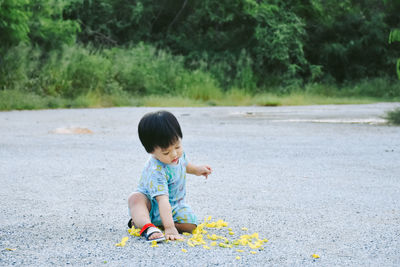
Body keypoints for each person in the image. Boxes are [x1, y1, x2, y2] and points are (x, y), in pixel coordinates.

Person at [127, 110, 212, 242]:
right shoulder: (156, 170)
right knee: (136, 199)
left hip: (174, 205)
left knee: (191, 225)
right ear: (151, 151)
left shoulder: (178, 155)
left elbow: (184, 164)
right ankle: (146, 225)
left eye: (177, 146)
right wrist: (170, 227)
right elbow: (162, 200)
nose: (174, 154)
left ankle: (157, 224)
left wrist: (197, 170)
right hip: (152, 204)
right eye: (166, 152)